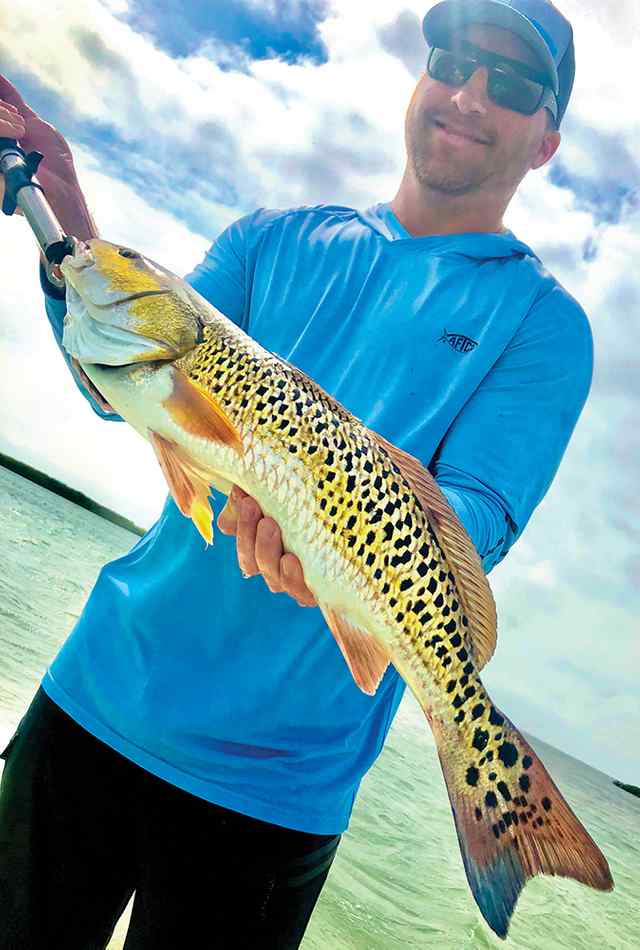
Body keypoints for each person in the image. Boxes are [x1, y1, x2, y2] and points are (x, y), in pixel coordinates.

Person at [0, 1, 589, 947]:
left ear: (546, 140)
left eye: (512, 82)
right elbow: (129, 377)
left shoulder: (543, 324)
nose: (469, 93)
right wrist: (62, 206)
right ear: (422, 76)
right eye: (452, 60)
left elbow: (482, 512)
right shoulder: (274, 234)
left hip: (271, 793)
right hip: (96, 695)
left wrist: (340, 533)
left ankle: (495, 794)